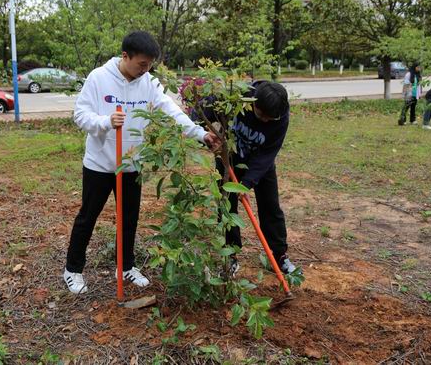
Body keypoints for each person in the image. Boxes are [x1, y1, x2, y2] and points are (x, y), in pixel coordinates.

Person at [63, 31, 220, 294]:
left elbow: (171, 111)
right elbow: (80, 115)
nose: (145, 70)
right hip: (99, 165)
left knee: (129, 218)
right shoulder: (98, 78)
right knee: (87, 218)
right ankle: (73, 270)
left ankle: (125, 266)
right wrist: (105, 122)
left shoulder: (147, 82)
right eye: (142, 64)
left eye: (149, 65)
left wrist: (200, 133)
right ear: (125, 56)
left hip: (131, 163)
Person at [208, 81, 297, 277]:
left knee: (271, 206)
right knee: (227, 207)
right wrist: (204, 132)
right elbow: (206, 108)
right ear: (253, 103)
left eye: (269, 118)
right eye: (261, 115)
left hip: (260, 165)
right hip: (228, 159)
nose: (265, 121)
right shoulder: (239, 94)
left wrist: (247, 183)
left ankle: (279, 255)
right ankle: (230, 255)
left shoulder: (280, 115)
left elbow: (268, 153)